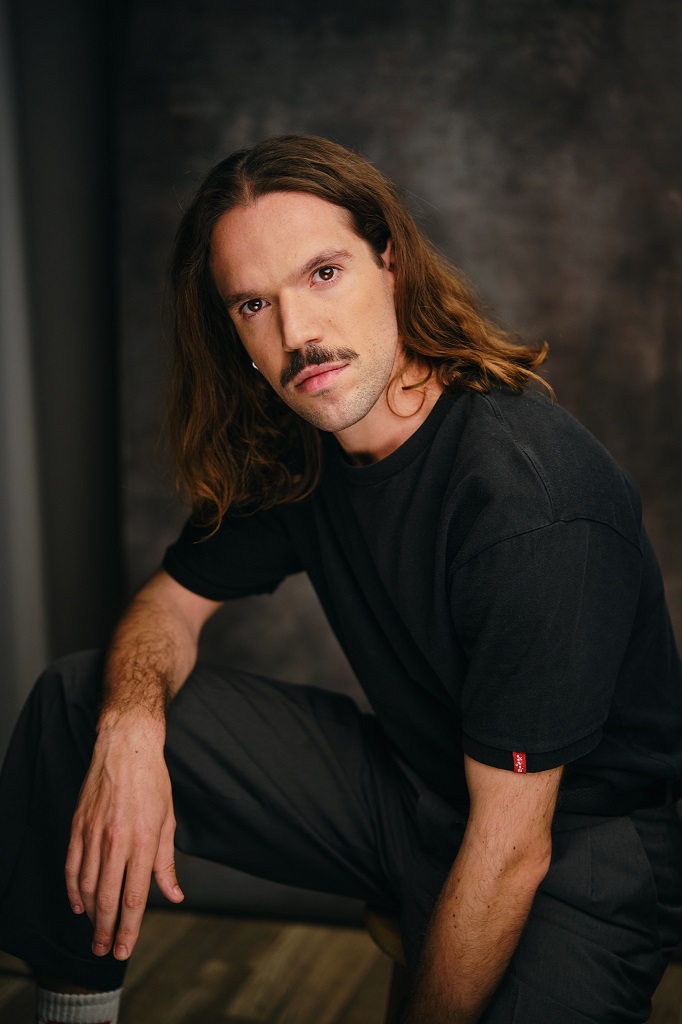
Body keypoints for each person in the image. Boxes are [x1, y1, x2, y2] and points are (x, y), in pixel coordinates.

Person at [1, 135, 681, 1024]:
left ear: (389, 264)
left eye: (323, 274)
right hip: (411, 787)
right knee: (79, 700)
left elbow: (513, 847)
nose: (297, 334)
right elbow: (170, 601)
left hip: (575, 844)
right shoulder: (305, 444)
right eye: (255, 303)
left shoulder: (530, 503)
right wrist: (132, 727)